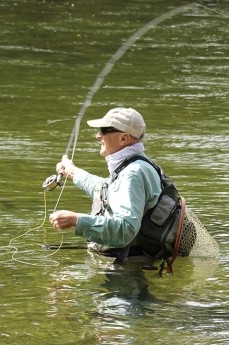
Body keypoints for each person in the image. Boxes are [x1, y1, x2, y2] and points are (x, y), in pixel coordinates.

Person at [50, 107, 162, 261]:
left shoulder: (132, 173)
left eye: (104, 130)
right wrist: (73, 171)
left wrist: (76, 220)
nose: (98, 136)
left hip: (131, 267)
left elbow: (125, 230)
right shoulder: (137, 163)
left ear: (123, 138)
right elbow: (108, 189)